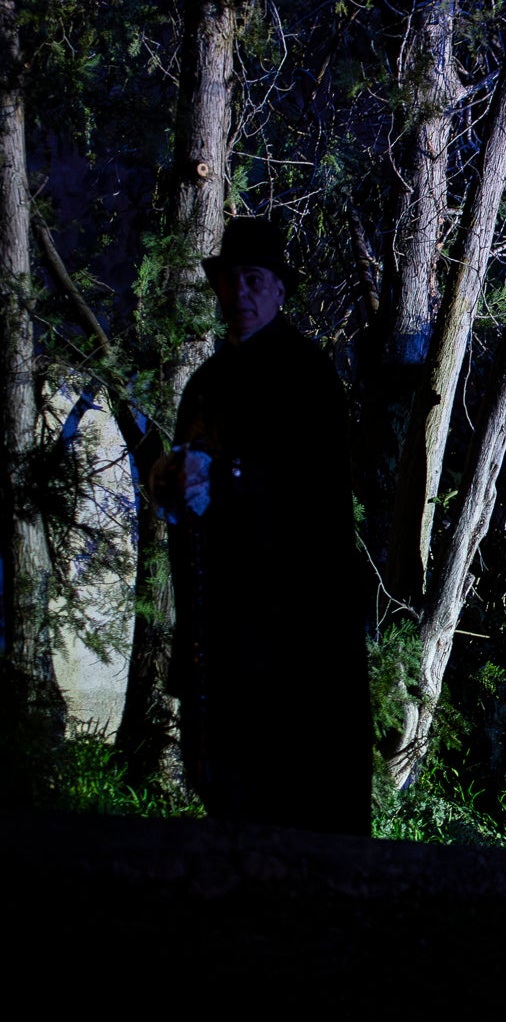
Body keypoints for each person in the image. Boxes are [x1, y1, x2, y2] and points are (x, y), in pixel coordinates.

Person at [149, 218, 371, 834]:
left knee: (294, 786)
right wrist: (168, 481)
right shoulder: (206, 383)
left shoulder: (308, 376)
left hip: (292, 621)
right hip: (220, 611)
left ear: (276, 291)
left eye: (253, 280)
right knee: (225, 778)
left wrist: (229, 480)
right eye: (229, 280)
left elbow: (313, 499)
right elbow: (192, 478)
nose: (239, 293)